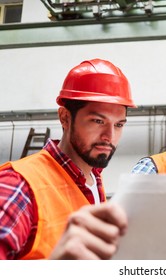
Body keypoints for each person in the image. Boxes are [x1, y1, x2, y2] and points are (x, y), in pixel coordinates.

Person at [0, 58, 136, 260]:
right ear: (65, 117)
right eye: (98, 121)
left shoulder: (92, 177)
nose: (110, 136)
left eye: (119, 125)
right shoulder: (18, 185)